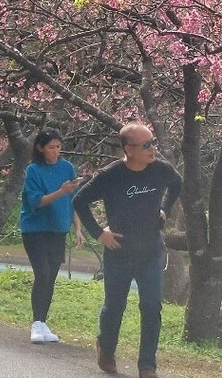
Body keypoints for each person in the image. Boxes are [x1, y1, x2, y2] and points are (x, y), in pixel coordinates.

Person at [73, 122, 182, 378]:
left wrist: (164, 210)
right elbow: (79, 200)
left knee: (152, 306)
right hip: (119, 251)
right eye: (146, 145)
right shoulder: (111, 175)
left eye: (152, 142)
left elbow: (177, 184)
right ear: (129, 149)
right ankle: (106, 347)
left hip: (150, 252)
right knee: (114, 306)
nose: (152, 148)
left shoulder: (160, 170)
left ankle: (147, 365)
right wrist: (100, 233)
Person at [20, 128, 84, 344]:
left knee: (52, 276)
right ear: (40, 148)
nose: (56, 151)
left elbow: (73, 200)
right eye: (51, 147)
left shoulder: (67, 168)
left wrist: (77, 228)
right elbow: (36, 202)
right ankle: (36, 323)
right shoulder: (33, 170)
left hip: (58, 228)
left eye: (58, 147)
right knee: (43, 273)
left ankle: (43, 322)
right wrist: (61, 192)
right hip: (35, 229)